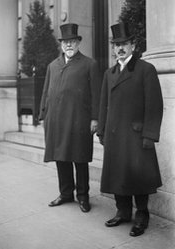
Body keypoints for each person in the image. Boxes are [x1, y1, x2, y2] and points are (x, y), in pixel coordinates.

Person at [97, 21, 163, 236]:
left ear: (133, 46)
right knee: (118, 175)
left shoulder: (146, 69)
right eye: (117, 45)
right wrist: (102, 130)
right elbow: (104, 104)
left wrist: (149, 135)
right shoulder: (110, 73)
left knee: (138, 178)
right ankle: (123, 212)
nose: (121, 48)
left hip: (136, 135)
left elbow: (155, 106)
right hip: (115, 135)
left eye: (124, 43)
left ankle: (142, 215)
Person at [39, 23, 100, 213]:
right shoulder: (53, 66)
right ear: (61, 44)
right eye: (65, 42)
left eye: (72, 41)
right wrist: (43, 115)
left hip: (79, 120)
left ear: (78, 43)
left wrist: (95, 118)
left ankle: (83, 196)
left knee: (80, 159)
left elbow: (96, 94)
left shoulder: (90, 64)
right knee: (61, 158)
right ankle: (66, 194)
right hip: (56, 120)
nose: (69, 45)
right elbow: (46, 91)